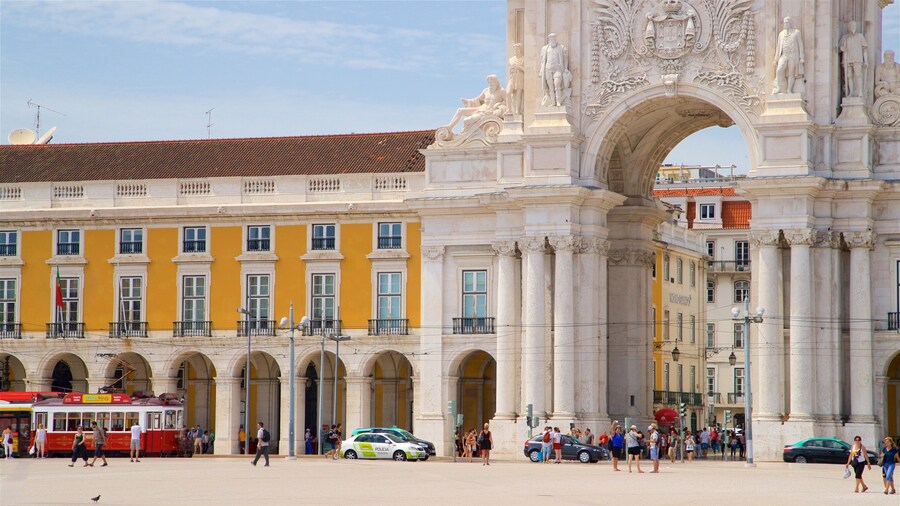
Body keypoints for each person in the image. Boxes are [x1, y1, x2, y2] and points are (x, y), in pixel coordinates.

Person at [773, 17, 804, 94]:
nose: (785, 24)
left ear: (790, 23)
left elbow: (800, 45)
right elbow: (778, 46)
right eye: (784, 23)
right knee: (779, 70)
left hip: (793, 56)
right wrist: (776, 59)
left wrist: (802, 57)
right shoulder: (781, 34)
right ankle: (779, 88)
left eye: (787, 22)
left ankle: (789, 90)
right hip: (784, 55)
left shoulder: (796, 32)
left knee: (791, 73)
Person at [540, 33, 571, 107]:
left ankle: (558, 102)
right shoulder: (545, 48)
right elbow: (543, 61)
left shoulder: (561, 48)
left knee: (557, 85)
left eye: (554, 38)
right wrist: (541, 71)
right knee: (550, 87)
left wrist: (566, 68)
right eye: (551, 38)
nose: (552, 39)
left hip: (558, 70)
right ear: (549, 39)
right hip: (548, 69)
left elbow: (565, 59)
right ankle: (553, 102)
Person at [839, 21, 867, 98]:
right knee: (849, 76)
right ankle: (850, 92)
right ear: (848, 27)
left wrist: (866, 61)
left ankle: (860, 92)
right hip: (847, 59)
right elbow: (840, 48)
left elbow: (864, 49)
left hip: (858, 58)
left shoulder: (860, 36)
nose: (852, 26)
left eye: (854, 25)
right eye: (851, 25)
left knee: (858, 75)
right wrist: (842, 48)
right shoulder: (845, 37)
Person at [506, 43, 524, 116]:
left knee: (519, 94)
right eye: (514, 49)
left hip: (520, 77)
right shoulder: (510, 59)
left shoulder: (523, 59)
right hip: (512, 78)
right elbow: (509, 71)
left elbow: (526, 70)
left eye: (517, 49)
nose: (516, 50)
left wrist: (519, 67)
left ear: (520, 50)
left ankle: (517, 111)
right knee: (508, 92)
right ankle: (509, 109)